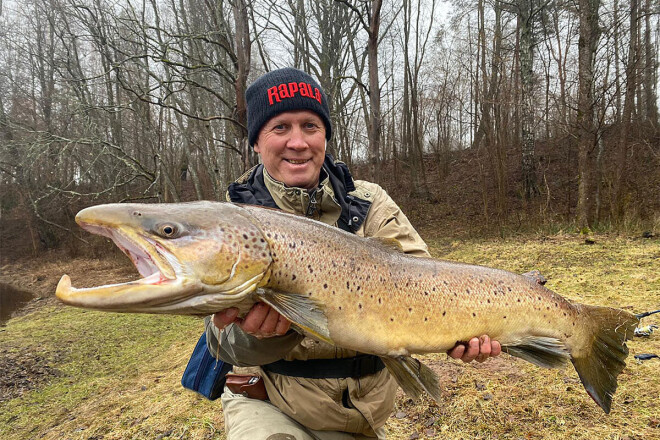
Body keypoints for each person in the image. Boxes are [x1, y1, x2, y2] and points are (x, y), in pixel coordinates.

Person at [205, 67, 501, 440]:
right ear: (256, 142)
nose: (298, 142)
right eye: (280, 128)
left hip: (360, 411)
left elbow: (424, 282)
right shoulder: (234, 222)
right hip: (272, 403)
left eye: (310, 126)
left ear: (325, 135)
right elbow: (219, 344)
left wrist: (462, 328)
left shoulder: (368, 200)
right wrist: (264, 336)